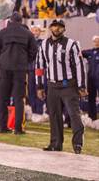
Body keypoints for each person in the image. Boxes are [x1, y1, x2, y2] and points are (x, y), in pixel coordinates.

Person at [35, 19, 87, 154]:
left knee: (74, 115)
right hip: (52, 85)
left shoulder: (72, 44)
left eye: (59, 26)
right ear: (50, 28)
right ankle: (55, 144)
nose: (56, 28)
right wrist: (39, 86)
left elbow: (79, 66)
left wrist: (81, 86)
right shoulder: (44, 45)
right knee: (54, 115)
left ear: (64, 29)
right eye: (54, 26)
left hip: (68, 85)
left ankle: (77, 144)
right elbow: (39, 67)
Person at [0, 12, 38, 134]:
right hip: (20, 69)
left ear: (10, 21)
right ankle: (18, 129)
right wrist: (26, 61)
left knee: (2, 99)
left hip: (4, 68)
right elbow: (34, 51)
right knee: (19, 99)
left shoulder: (3, 33)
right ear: (21, 21)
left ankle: (3, 127)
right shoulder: (28, 34)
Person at [27, 25, 45, 116]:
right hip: (30, 69)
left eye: (37, 30)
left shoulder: (43, 43)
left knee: (39, 88)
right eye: (34, 30)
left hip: (39, 69)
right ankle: (33, 110)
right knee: (31, 90)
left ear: (40, 32)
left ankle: (39, 111)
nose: (35, 32)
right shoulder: (28, 43)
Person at [82, 35, 99, 121]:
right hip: (91, 79)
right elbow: (79, 53)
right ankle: (92, 117)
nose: (97, 42)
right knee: (91, 98)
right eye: (95, 41)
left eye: (98, 41)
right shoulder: (90, 52)